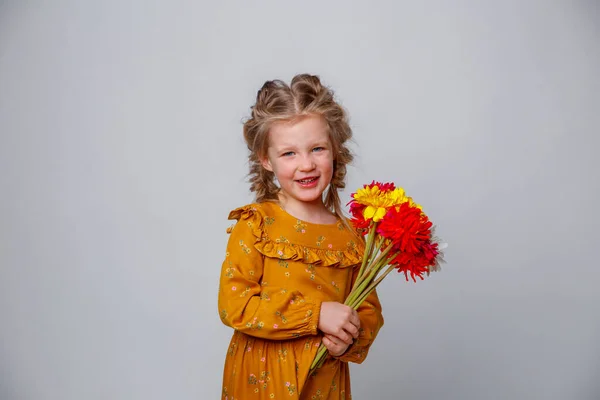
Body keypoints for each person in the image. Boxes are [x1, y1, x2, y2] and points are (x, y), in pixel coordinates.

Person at [217, 73, 384, 399]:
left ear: (335, 150)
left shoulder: (351, 238)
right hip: (260, 383)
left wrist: (350, 338)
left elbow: (368, 312)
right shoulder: (256, 225)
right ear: (266, 159)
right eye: (289, 153)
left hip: (323, 383)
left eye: (317, 148)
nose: (305, 164)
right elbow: (234, 305)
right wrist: (316, 314)